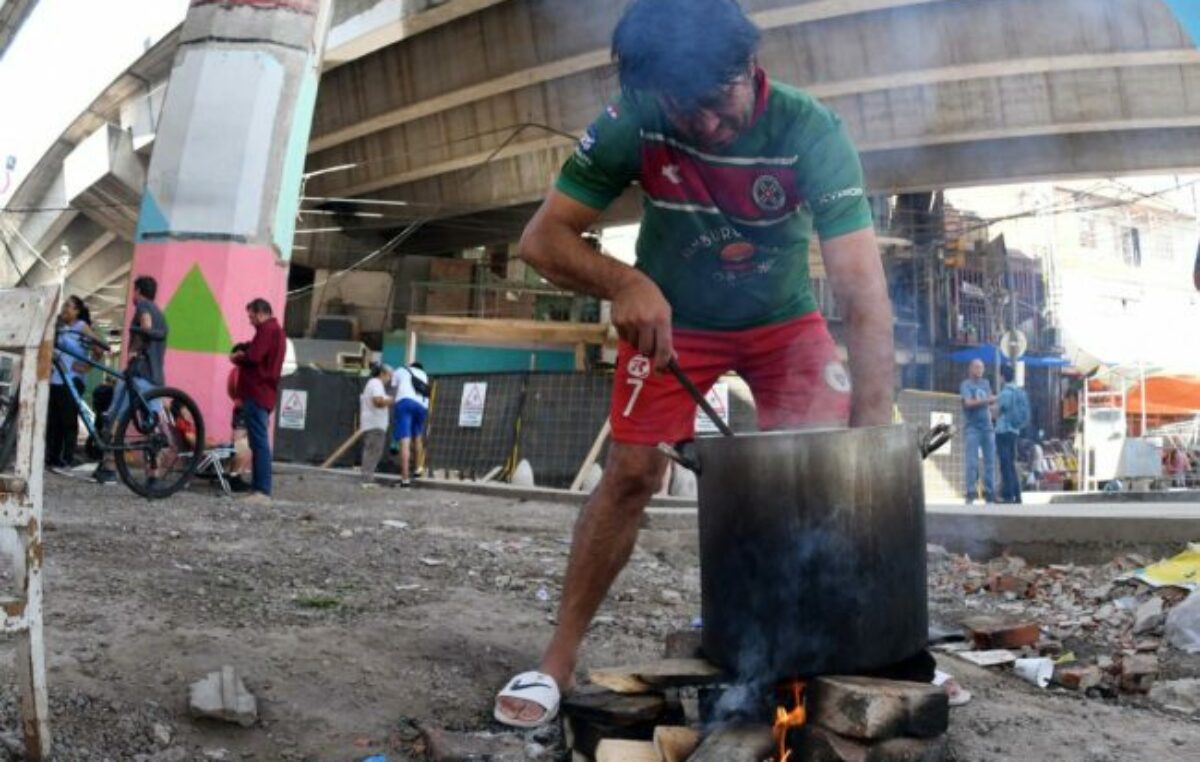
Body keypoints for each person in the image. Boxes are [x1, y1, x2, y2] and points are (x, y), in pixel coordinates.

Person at [493, 0, 895, 728]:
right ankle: (557, 657)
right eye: (685, 109)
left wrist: (870, 440)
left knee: (823, 473)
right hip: (676, 321)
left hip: (783, 322)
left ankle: (856, 643)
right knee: (631, 475)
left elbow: (863, 293)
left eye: (718, 99)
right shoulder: (634, 120)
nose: (705, 124)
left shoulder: (811, 131)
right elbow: (542, 238)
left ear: (751, 67)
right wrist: (625, 282)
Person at [94, 276, 168, 484]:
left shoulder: (143, 306)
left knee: (115, 418)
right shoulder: (161, 314)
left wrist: (136, 352)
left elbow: (146, 326)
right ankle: (153, 475)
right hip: (155, 380)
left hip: (137, 376)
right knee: (151, 428)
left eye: (133, 291)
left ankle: (108, 468)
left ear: (138, 291)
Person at [231, 298, 286, 504]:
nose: (251, 321)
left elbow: (254, 357)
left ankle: (262, 491)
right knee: (257, 441)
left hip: (257, 392)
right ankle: (257, 488)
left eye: (252, 316)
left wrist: (238, 357)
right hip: (264, 393)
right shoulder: (276, 332)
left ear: (262, 313)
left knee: (260, 443)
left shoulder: (266, 330)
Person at [47, 295, 107, 468]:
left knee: (68, 421)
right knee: (54, 421)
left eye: (69, 306)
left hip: (73, 380)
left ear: (77, 311)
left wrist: (87, 367)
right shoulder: (61, 328)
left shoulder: (81, 327)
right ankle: (52, 458)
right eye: (64, 305)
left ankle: (67, 457)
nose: (65, 309)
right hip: (56, 380)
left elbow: (99, 348)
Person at [960, 358, 997, 505]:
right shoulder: (965, 384)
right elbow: (968, 403)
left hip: (987, 427)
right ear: (970, 369)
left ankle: (990, 493)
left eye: (981, 368)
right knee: (972, 462)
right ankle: (971, 492)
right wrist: (986, 400)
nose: (979, 370)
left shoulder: (986, 383)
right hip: (972, 428)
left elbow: (991, 402)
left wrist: (991, 403)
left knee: (990, 462)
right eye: (976, 367)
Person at [995, 364, 1030, 504]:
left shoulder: (1005, 393)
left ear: (1002, 376)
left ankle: (1007, 495)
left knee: (1005, 464)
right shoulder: (1019, 392)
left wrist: (989, 407)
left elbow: (998, 412)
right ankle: (1017, 495)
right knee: (1011, 463)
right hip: (1015, 431)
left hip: (1003, 431)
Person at [390, 362, 429, 487]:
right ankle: (418, 469)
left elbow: (394, 388)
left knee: (405, 440)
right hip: (422, 406)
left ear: (410, 366)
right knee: (417, 438)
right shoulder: (424, 375)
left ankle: (405, 479)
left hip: (405, 402)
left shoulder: (401, 370)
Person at [359, 364, 393, 487]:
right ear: (383, 373)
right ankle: (367, 479)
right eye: (389, 375)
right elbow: (378, 402)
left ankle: (367, 478)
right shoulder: (376, 383)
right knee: (374, 451)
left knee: (371, 451)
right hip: (375, 425)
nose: (389, 379)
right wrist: (391, 400)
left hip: (372, 424)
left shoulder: (372, 383)